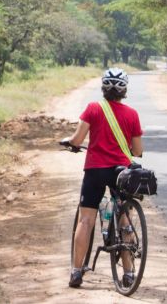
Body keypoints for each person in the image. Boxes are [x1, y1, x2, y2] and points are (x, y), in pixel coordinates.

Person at [61, 67, 143, 289]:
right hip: (121, 172)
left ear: (103, 88)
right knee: (124, 219)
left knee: (85, 220)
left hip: (95, 170)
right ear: (124, 90)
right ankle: (128, 274)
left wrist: (70, 143)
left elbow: (77, 140)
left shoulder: (93, 109)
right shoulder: (132, 114)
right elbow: (137, 150)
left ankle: (76, 272)